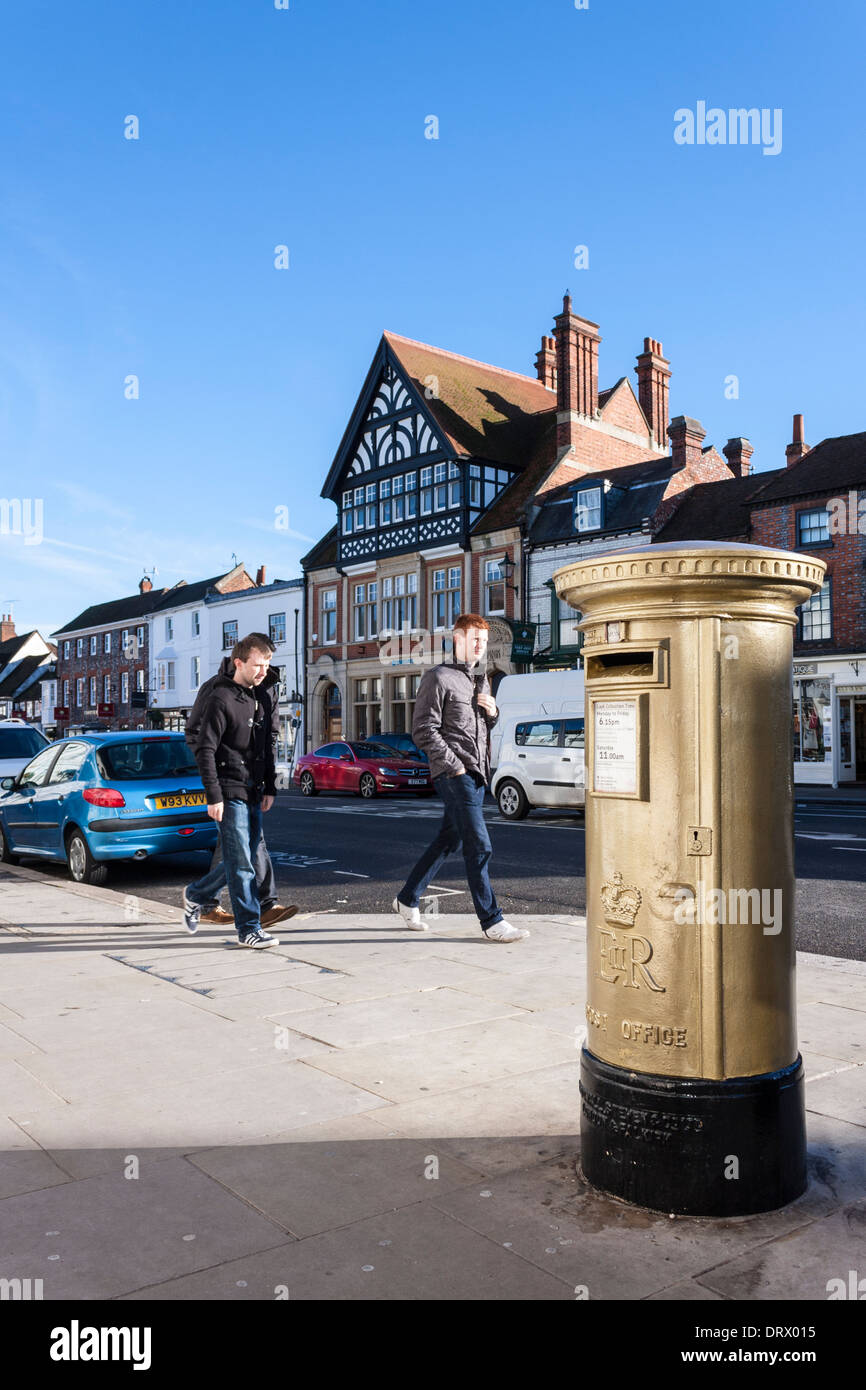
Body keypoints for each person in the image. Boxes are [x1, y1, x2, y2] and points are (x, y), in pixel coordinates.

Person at [393, 613, 530, 943]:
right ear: (458, 639)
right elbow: (423, 730)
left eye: (484, 641)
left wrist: (493, 713)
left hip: (477, 772)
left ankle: (408, 898)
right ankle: (491, 919)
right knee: (478, 844)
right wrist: (453, 764)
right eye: (475, 640)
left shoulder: (482, 680)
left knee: (448, 840)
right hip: (454, 772)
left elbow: (481, 728)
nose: (480, 646)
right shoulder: (438, 677)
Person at [182, 633, 292, 947]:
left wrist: (270, 785)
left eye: (268, 664)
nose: (264, 671)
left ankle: (197, 895)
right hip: (228, 786)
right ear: (238, 662)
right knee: (243, 861)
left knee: (242, 855)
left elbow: (267, 745)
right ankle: (249, 929)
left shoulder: (264, 694)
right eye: (258, 665)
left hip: (254, 787)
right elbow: (203, 746)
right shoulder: (218, 695)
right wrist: (213, 793)